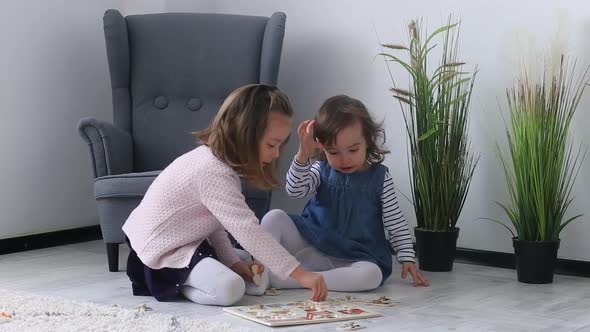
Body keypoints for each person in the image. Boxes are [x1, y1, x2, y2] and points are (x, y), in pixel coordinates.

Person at [122, 84, 328, 306]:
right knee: (232, 289)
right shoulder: (212, 171)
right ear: (243, 132)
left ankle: (213, 270)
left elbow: (214, 223)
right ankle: (178, 286)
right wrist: (300, 274)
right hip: (161, 252)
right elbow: (247, 230)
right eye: (272, 144)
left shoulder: (217, 164)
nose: (276, 153)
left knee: (252, 275)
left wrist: (232, 263)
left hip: (186, 240)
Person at [261, 95, 429, 291]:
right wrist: (303, 154)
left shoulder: (380, 178)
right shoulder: (320, 168)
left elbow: (395, 221)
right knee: (274, 218)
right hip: (314, 244)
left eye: (353, 149)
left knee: (371, 276)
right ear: (322, 147)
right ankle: (263, 272)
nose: (344, 159)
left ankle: (293, 279)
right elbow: (294, 190)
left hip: (355, 255)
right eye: (333, 152)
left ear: (368, 141)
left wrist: (407, 256)